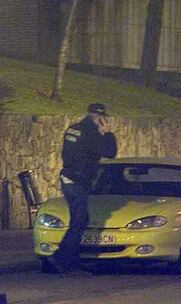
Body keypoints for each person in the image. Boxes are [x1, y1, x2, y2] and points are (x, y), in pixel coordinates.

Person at [47, 103, 117, 274]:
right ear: (97, 117)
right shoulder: (91, 133)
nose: (104, 120)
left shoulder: (73, 129)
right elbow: (110, 152)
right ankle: (63, 261)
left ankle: (67, 258)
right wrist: (107, 133)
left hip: (68, 179)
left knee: (81, 220)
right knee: (78, 223)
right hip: (79, 182)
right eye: (103, 118)